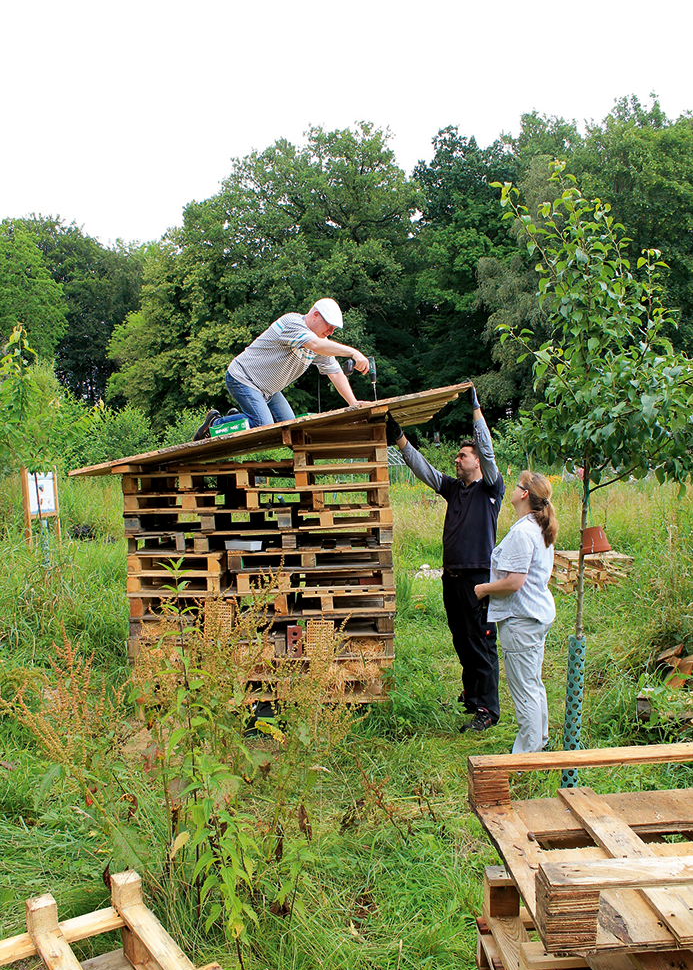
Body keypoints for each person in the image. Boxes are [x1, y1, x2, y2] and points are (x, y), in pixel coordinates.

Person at [386, 385, 505, 732]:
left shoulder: (491, 488)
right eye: (456, 456)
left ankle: (488, 710)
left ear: (478, 462)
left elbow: (487, 449)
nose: (457, 459)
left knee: (481, 641)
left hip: (477, 578)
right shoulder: (454, 487)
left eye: (462, 456)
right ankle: (472, 697)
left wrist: (476, 411)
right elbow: (424, 470)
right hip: (452, 576)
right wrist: (401, 441)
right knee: (460, 638)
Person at [193, 298, 370, 437]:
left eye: (334, 328)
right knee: (264, 425)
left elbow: (336, 372)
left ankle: (239, 419)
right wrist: (353, 352)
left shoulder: (322, 344)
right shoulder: (292, 323)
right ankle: (216, 423)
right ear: (315, 315)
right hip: (243, 378)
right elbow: (314, 345)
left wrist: (353, 403)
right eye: (329, 326)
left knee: (290, 427)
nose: (331, 331)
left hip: (268, 390)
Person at [473, 472, 558, 753]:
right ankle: (539, 742)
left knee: (523, 690)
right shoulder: (538, 526)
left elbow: (514, 582)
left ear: (524, 495)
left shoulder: (523, 532)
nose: (511, 489)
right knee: (532, 683)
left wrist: (484, 589)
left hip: (521, 620)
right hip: (534, 615)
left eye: (517, 486)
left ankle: (527, 755)